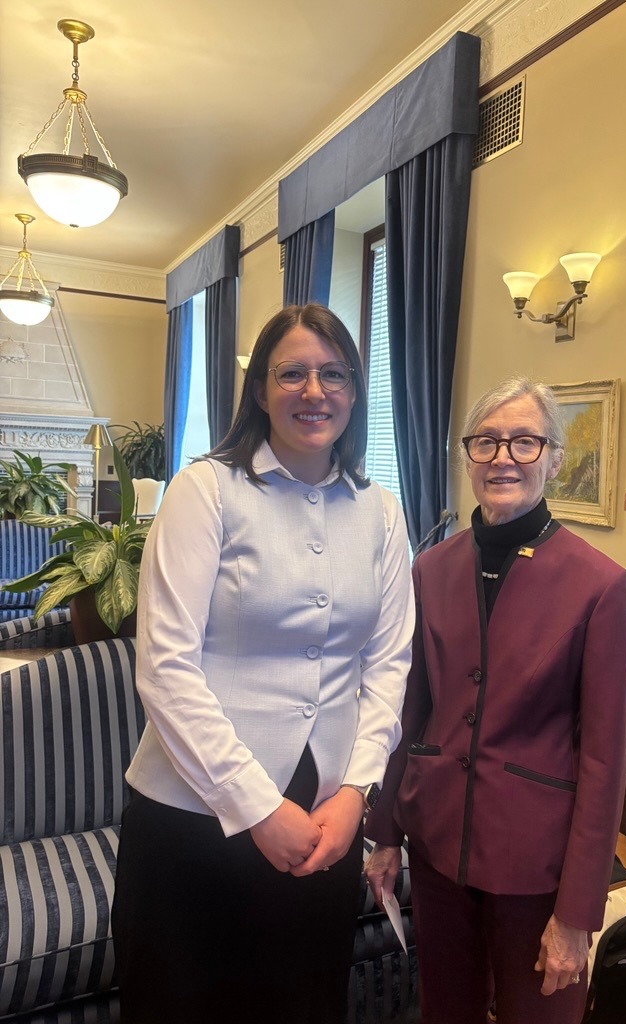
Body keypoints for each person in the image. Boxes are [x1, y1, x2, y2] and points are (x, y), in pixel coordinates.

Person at [112, 303, 414, 1024]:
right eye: (292, 373)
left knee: (301, 1002)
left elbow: (387, 665)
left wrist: (357, 792)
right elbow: (166, 667)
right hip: (193, 809)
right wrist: (254, 806)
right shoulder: (206, 489)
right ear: (259, 390)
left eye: (334, 374)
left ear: (354, 390)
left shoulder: (381, 511)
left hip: (324, 818)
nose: (315, 391)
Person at [364, 376, 626, 1024]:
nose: (502, 458)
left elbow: (605, 763)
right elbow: (410, 711)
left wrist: (578, 911)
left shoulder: (601, 586)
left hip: (536, 861)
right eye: (485, 442)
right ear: (468, 457)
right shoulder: (430, 569)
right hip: (438, 845)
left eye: (523, 442)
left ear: (554, 458)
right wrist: (384, 834)